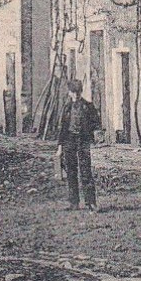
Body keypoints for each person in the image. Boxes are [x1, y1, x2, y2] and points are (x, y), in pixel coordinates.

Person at [55, 77, 101, 212]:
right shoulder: (67, 108)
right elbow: (63, 128)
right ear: (69, 93)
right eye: (73, 92)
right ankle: (74, 202)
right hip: (69, 141)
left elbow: (96, 123)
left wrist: (92, 134)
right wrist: (60, 147)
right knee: (71, 172)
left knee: (86, 171)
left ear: (81, 92)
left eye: (78, 92)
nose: (76, 94)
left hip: (83, 141)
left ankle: (91, 203)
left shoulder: (88, 106)